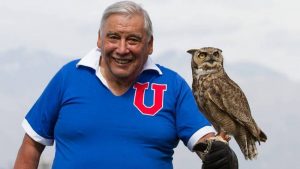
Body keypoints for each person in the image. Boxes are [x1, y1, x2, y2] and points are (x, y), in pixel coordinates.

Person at [14, 1, 238, 169]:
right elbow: (32, 145)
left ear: (149, 45)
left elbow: (206, 144)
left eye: (133, 39)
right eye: (113, 38)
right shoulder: (69, 77)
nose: (122, 49)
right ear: (99, 40)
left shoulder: (172, 85)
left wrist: (222, 154)